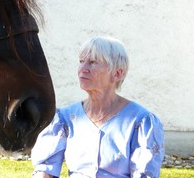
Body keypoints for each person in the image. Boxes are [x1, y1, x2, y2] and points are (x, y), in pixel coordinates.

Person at [31, 36, 165, 178]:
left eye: (92, 62)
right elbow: (45, 172)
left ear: (117, 74)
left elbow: (145, 174)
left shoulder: (141, 122)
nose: (83, 69)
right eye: (81, 62)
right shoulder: (64, 119)